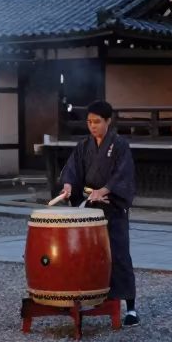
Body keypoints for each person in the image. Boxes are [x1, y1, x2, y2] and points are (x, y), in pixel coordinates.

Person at [57, 99, 139, 326]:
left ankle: (131, 308)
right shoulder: (84, 146)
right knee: (94, 256)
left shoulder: (120, 145)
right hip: (91, 209)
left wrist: (104, 190)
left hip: (112, 208)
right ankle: (99, 297)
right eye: (89, 121)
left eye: (97, 121)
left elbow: (124, 174)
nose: (92, 126)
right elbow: (72, 171)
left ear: (108, 121)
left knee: (119, 255)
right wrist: (68, 186)